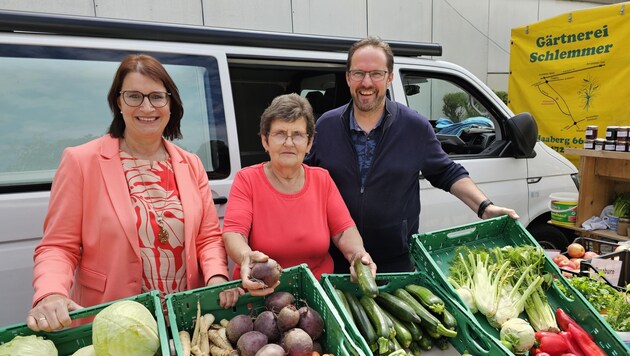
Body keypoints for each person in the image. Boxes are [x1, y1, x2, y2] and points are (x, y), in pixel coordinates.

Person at [26, 54, 241, 332]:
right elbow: (58, 246)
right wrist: (51, 292)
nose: (147, 107)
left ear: (170, 103)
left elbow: (208, 237)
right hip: (113, 320)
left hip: (183, 320)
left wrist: (216, 277)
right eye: (134, 96)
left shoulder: (191, 164)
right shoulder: (82, 162)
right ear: (118, 102)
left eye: (156, 97)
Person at [305, 37, 519, 273]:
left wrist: (485, 207)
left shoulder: (414, 126)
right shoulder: (326, 127)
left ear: (389, 78)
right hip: (336, 261)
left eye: (376, 73)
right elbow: (300, 180)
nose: (366, 82)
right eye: (358, 73)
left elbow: (446, 172)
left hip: (396, 261)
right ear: (348, 77)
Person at [222, 93, 375, 296]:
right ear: (265, 140)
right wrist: (245, 256)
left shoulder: (322, 179)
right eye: (280, 133)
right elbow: (234, 233)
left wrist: (358, 255)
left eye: (297, 134)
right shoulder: (247, 180)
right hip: (261, 295)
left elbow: (343, 231)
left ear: (309, 143)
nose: (288, 142)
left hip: (315, 294)